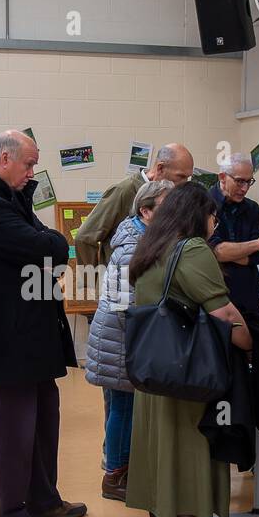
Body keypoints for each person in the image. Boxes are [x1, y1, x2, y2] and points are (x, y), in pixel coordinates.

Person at [0, 129, 86, 517]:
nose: (33, 172)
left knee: (44, 417)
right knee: (14, 426)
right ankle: (8, 512)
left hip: (31, 332)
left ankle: (43, 499)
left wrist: (49, 240)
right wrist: (52, 241)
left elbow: (50, 245)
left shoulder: (10, 200)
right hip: (7, 335)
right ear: (4, 160)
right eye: (28, 164)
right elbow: (51, 248)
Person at [125, 184, 252, 517]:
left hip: (153, 375)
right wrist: (252, 343)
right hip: (188, 378)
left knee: (159, 460)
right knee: (189, 460)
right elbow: (224, 313)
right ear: (196, 216)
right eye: (212, 215)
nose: (215, 222)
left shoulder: (149, 249)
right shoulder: (192, 250)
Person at [84, 179, 174, 500]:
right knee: (122, 408)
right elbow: (126, 305)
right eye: (165, 207)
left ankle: (124, 467)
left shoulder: (144, 238)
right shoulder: (130, 247)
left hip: (126, 338)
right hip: (120, 340)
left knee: (125, 407)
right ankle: (114, 477)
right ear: (145, 211)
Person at [74, 143, 195, 267]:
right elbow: (84, 237)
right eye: (181, 176)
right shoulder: (124, 190)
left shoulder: (173, 196)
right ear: (160, 168)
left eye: (188, 177)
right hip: (121, 282)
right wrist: (90, 283)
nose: (184, 183)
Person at [207, 152, 259, 317]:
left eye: (249, 181)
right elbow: (215, 252)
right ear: (222, 177)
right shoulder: (204, 205)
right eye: (239, 181)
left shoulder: (252, 209)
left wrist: (227, 253)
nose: (245, 188)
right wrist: (256, 244)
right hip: (217, 299)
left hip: (249, 298)